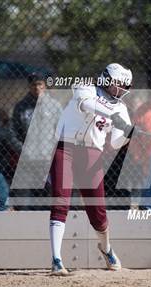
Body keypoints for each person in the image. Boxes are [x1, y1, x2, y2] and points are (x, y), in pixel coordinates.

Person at [50, 63, 134, 275]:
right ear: (106, 79)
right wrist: (113, 115)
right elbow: (85, 104)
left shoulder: (121, 108)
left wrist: (126, 134)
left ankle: (106, 248)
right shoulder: (84, 86)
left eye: (123, 87)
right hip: (65, 147)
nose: (120, 90)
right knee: (61, 200)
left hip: (91, 154)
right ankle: (56, 259)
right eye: (117, 85)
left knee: (98, 211)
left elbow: (115, 143)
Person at [9, 72, 63, 210]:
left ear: (45, 86)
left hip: (48, 161)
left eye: (40, 84)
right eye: (33, 84)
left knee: (48, 201)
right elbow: (12, 133)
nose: (37, 87)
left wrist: (54, 152)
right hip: (27, 161)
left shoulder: (55, 106)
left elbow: (62, 132)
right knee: (23, 202)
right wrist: (23, 150)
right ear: (29, 86)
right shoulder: (20, 107)